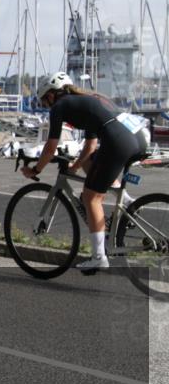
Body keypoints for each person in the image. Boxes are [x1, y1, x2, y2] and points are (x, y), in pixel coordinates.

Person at [24, 72, 149, 272]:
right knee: (89, 162)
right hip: (135, 137)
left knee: (90, 197)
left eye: (45, 101)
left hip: (117, 140)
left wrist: (36, 169)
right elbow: (90, 147)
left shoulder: (60, 106)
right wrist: (73, 167)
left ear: (51, 95)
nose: (47, 106)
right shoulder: (86, 100)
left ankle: (99, 257)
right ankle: (127, 201)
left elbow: (50, 145)